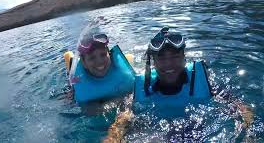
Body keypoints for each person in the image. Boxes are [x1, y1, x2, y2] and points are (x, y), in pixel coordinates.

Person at [103, 27, 254, 142]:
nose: (169, 64)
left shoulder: (204, 82)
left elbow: (240, 107)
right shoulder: (141, 89)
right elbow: (123, 119)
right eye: (161, 58)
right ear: (153, 62)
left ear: (184, 57)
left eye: (175, 56)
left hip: (200, 132)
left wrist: (248, 132)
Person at [64, 33, 135, 114]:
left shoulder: (124, 73)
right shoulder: (78, 79)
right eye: (92, 58)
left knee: (129, 59)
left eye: (103, 54)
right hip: (78, 73)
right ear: (83, 63)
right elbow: (86, 110)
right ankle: (70, 59)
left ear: (109, 53)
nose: (99, 61)